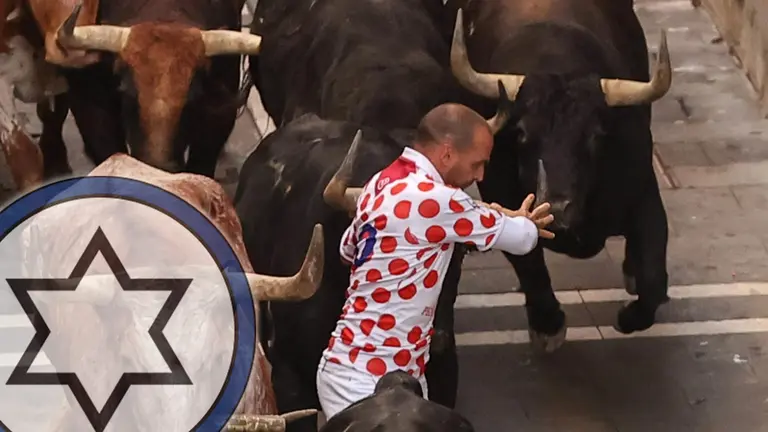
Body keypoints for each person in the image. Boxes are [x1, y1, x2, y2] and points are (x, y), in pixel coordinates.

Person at [315, 102, 555, 420]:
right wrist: (525, 222)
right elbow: (522, 239)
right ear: (446, 154)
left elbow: (347, 250)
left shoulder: (380, 184)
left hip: (363, 370)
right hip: (373, 383)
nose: (481, 175)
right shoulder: (439, 200)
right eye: (477, 164)